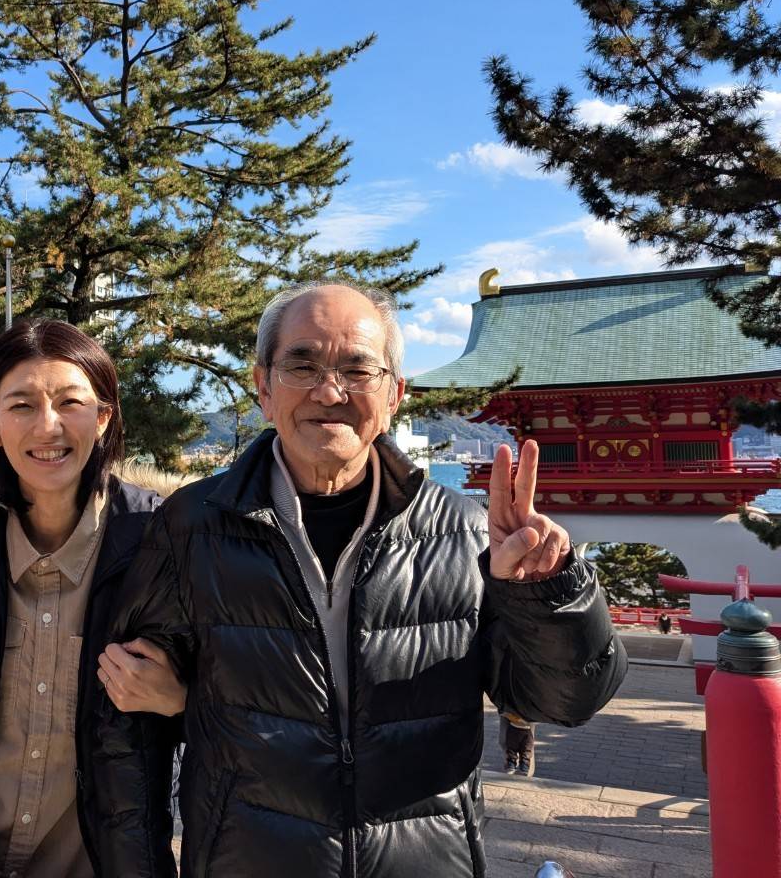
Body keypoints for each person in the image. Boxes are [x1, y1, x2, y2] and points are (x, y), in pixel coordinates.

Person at [94, 282, 627, 877]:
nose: (329, 391)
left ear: (395, 394)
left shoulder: (464, 532)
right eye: (302, 364)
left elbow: (565, 701)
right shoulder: (191, 526)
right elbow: (129, 725)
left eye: (358, 369)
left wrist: (544, 592)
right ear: (263, 388)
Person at [0, 319, 186, 878]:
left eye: (70, 401)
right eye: (22, 406)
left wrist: (182, 698)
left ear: (103, 417)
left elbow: (245, 700)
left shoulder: (165, 544)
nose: (49, 426)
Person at [500, 712, 536, 776]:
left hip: (528, 711)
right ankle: (510, 768)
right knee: (505, 742)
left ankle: (525, 772)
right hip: (509, 706)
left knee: (527, 749)